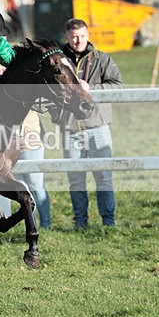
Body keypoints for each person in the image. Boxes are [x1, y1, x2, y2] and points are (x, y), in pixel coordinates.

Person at [58, 18, 123, 228]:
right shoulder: (57, 61)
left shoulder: (102, 60)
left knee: (103, 177)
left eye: (82, 36)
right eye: (74, 36)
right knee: (76, 180)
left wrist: (90, 88)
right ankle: (80, 223)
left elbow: (117, 87)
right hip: (69, 128)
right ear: (66, 37)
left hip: (98, 127)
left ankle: (108, 222)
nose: (78, 41)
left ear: (88, 36)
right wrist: (57, 116)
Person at [0, 57, 52, 229]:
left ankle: (45, 224)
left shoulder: (22, 85)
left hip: (29, 141)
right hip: (5, 147)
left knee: (36, 185)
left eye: (2, 65)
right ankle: (29, 223)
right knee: (18, 187)